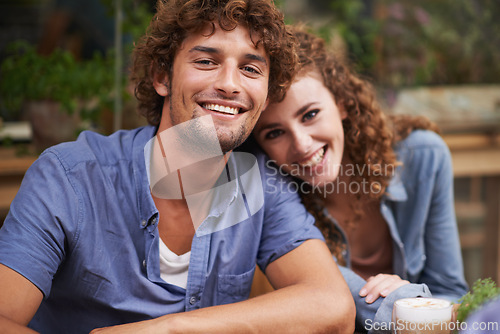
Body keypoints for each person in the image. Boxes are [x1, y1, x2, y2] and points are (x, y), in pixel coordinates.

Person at [0, 2, 355, 333]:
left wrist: (167, 328)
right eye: (206, 62)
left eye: (250, 69)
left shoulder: (262, 185)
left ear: (265, 95)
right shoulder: (71, 176)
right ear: (162, 77)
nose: (230, 84)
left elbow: (333, 306)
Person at [251, 25, 468, 331]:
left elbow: (451, 289)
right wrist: (408, 302)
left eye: (310, 114)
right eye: (274, 133)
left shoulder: (422, 157)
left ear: (341, 101)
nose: (301, 144)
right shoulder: (276, 197)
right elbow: (337, 301)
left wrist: (413, 301)